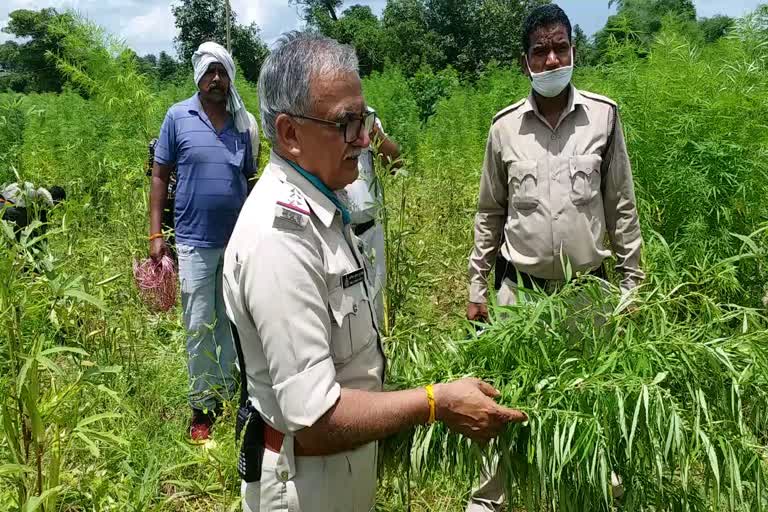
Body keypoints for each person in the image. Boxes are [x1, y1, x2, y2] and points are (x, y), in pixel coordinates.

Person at [223, 31, 527, 512]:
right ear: (289, 134)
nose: (365, 140)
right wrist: (434, 402)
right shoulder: (280, 239)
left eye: (363, 119)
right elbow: (317, 418)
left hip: (338, 472)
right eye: (347, 123)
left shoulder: (324, 204)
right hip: (306, 485)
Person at [465, 5, 644, 510]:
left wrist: (633, 285)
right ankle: (488, 499)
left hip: (588, 297)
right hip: (518, 296)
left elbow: (621, 205)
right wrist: (478, 286)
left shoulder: (603, 117)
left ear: (573, 51)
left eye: (559, 48)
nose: (551, 59)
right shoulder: (504, 130)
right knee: (500, 398)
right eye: (540, 51)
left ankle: (596, 491)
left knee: (594, 399)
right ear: (525, 62)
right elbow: (488, 213)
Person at [149, 41, 257, 443]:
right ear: (199, 76)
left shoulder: (243, 125)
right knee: (198, 326)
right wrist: (156, 233)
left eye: (222, 72)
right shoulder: (178, 117)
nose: (216, 79)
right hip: (194, 242)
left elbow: (248, 182)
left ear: (230, 78)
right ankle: (202, 409)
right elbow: (160, 175)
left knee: (233, 323)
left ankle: (231, 399)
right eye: (210, 72)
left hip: (236, 243)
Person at [341, 107, 401, 326]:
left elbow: (395, 164)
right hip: (339, 233)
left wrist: (374, 132)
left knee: (377, 298)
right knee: (347, 307)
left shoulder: (368, 116)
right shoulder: (322, 118)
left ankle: (380, 348)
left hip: (370, 230)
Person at [1, 181, 65, 242]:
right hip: (9, 208)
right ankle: (17, 242)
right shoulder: (46, 195)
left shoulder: (35, 189)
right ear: (58, 199)